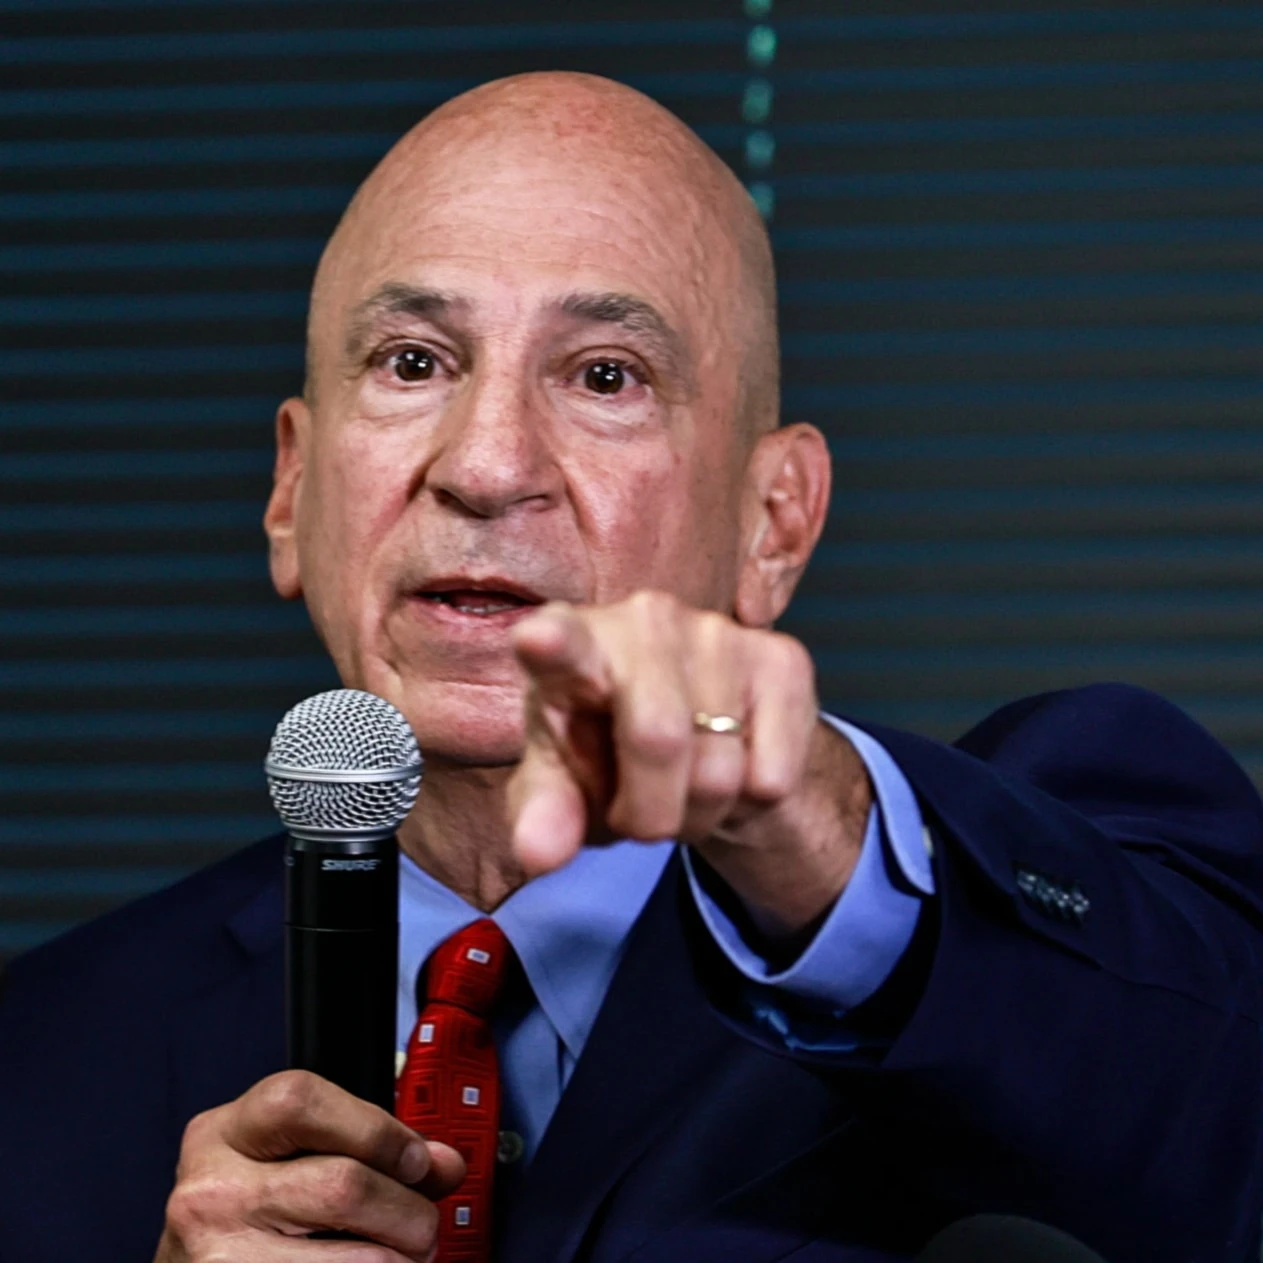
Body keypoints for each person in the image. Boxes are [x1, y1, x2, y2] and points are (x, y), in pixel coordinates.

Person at [1, 72, 1262, 1263]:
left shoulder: (963, 911)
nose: (486, 465)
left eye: (607, 376)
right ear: (289, 492)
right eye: (414, 363)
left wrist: (821, 837)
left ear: (775, 523)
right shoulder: (39, 1058)